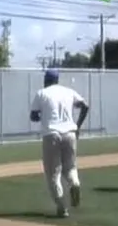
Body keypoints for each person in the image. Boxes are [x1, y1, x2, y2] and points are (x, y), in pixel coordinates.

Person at [29, 69, 89, 218]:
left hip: (51, 134)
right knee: (70, 167)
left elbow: (33, 116)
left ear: (46, 79)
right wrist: (78, 126)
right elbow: (85, 105)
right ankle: (75, 183)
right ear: (57, 79)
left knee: (53, 174)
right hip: (70, 133)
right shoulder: (68, 91)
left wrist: (40, 116)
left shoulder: (42, 93)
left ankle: (62, 208)